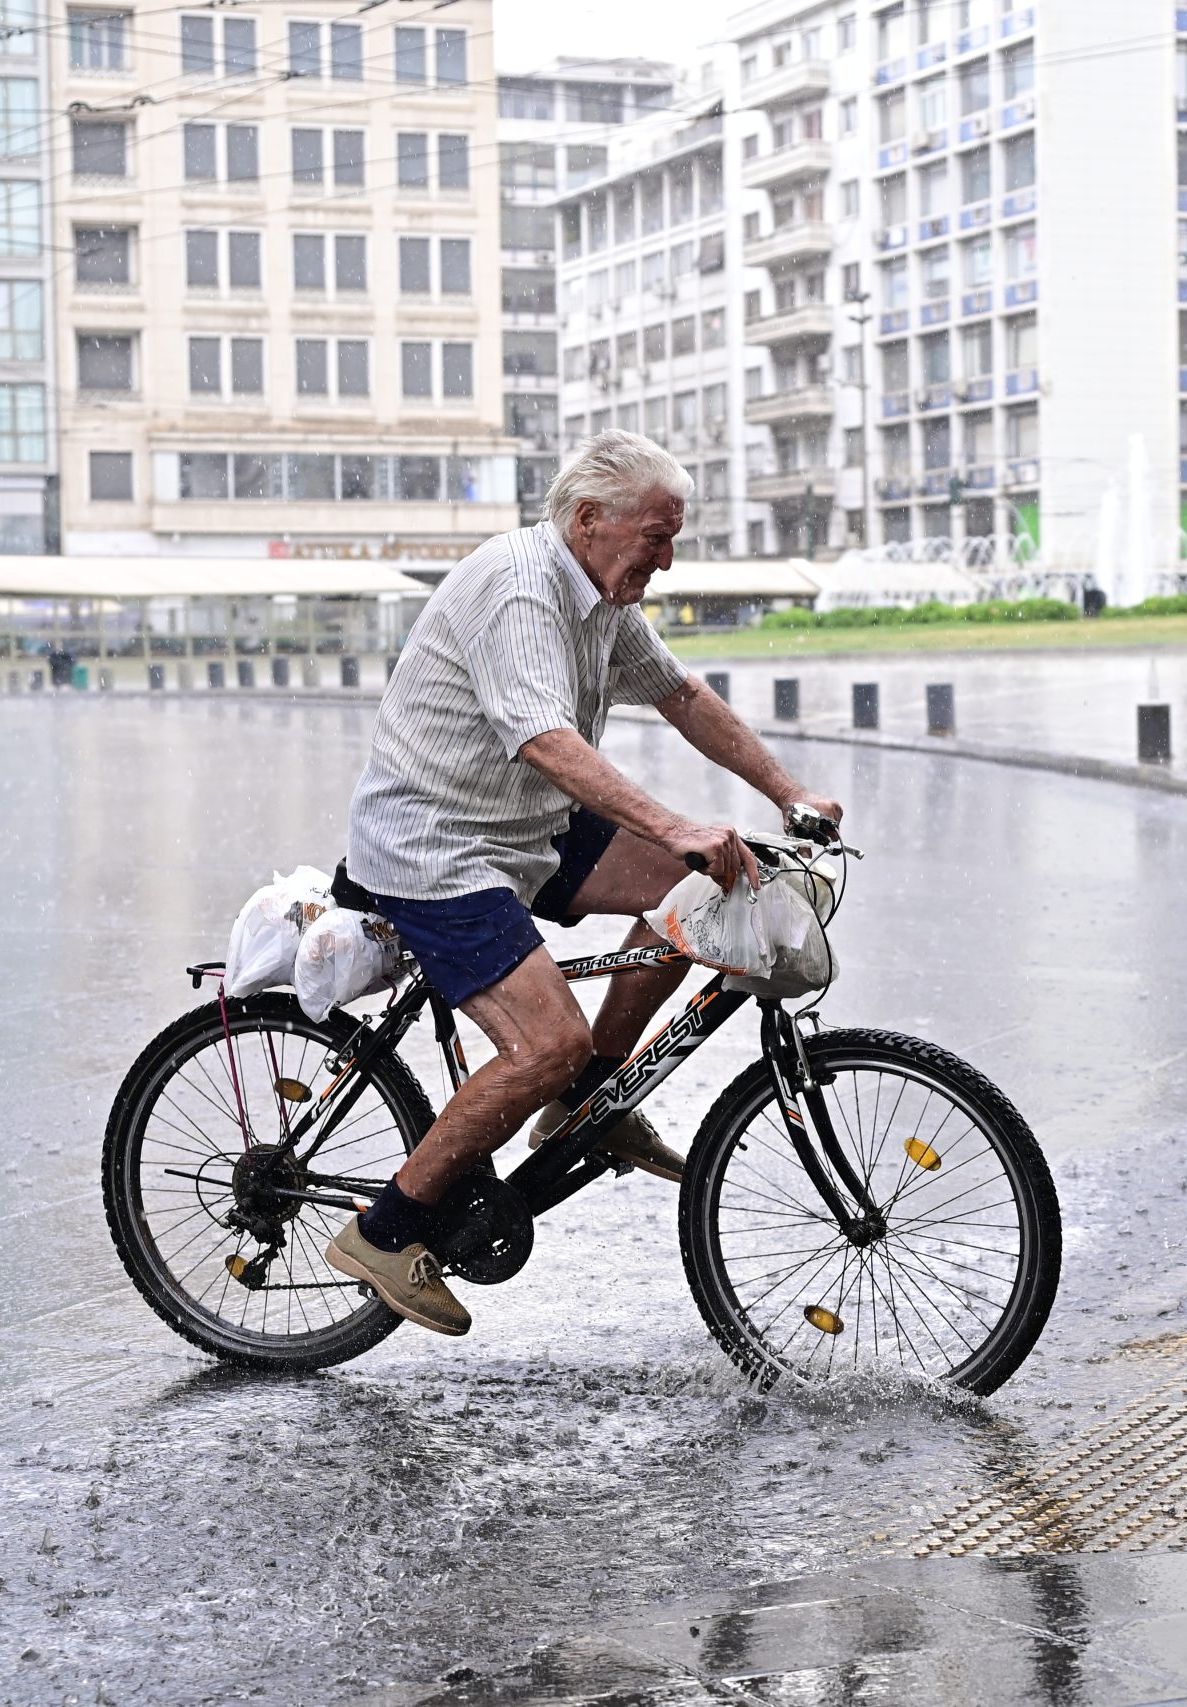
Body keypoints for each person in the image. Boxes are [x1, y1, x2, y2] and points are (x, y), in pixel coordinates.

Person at [324, 431, 842, 1336]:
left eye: (673, 538)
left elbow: (683, 697)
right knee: (543, 1041)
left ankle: (588, 1101)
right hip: (436, 844)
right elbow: (545, 742)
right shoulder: (524, 587)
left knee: (705, 901)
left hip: (527, 823)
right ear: (590, 520)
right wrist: (676, 825)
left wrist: (788, 793)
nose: (667, 559)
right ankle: (385, 1230)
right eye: (655, 536)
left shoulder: (599, 595)